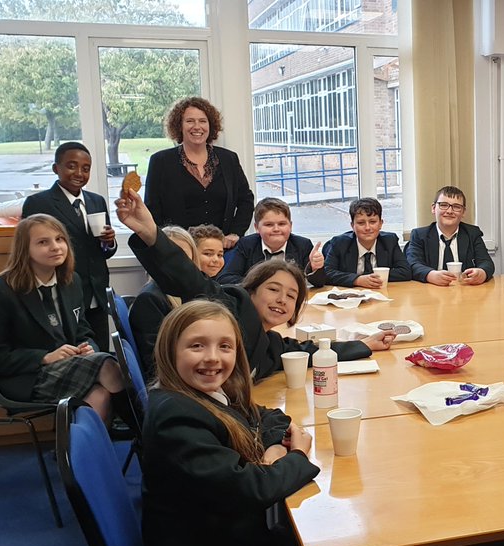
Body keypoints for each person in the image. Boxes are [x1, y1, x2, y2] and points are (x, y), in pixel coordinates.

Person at [115, 186, 393, 382]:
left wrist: (365, 344)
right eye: (273, 289)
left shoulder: (268, 342)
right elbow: (191, 280)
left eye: (292, 296)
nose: (282, 300)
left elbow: (302, 351)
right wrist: (150, 231)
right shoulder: (233, 306)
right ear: (250, 290)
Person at [141, 300, 318, 546]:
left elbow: (265, 415)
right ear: (170, 351)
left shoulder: (208, 393)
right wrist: (297, 454)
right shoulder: (176, 417)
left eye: (225, 346)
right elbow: (250, 489)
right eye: (197, 346)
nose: (213, 357)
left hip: (223, 539)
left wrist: (273, 447)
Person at [0, 215, 126, 422]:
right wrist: (44, 357)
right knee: (109, 366)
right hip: (29, 376)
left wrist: (87, 347)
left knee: (99, 395)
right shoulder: (0, 292)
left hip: (72, 365)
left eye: (60, 239)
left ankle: (75, 453)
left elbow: (83, 331)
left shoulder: (71, 281)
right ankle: (143, 433)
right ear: (24, 249)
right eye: (43, 242)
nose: (55, 247)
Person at [21, 141, 117, 352]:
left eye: (86, 168)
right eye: (71, 166)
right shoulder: (38, 203)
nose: (79, 173)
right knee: (70, 349)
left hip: (97, 291)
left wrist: (109, 242)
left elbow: (103, 252)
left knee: (98, 351)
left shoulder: (96, 201)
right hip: (63, 288)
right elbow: (31, 249)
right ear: (56, 168)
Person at [144, 96, 254, 245]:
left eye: (203, 121)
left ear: (211, 125)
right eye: (190, 121)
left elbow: (246, 200)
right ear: (179, 126)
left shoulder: (229, 159)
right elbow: (152, 210)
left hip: (222, 252)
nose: (197, 127)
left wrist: (236, 233)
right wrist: (169, 242)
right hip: (180, 252)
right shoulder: (160, 162)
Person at [130, 226, 200, 381]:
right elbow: (155, 361)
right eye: (169, 256)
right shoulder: (149, 300)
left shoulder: (193, 293)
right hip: (176, 383)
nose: (175, 263)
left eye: (182, 257)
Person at [218, 198, 325, 287]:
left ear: (291, 226)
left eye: (282, 224)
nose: (276, 229)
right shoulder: (246, 245)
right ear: (257, 228)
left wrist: (315, 268)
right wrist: (262, 284)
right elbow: (225, 278)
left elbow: (320, 283)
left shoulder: (302, 245)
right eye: (269, 225)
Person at [405, 186, 494, 286]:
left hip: (465, 291)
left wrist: (482, 273)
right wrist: (431, 275)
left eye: (456, 207)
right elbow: (412, 264)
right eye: (443, 205)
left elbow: (487, 263)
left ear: (463, 212)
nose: (449, 211)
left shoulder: (472, 233)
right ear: (434, 208)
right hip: (430, 291)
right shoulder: (419, 235)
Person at [322, 197, 411, 288]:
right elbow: (327, 273)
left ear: (380, 224)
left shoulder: (389, 241)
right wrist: (357, 280)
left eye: (372, 222)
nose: (367, 228)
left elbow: (405, 271)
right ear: (352, 225)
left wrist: (372, 277)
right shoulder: (340, 243)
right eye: (361, 223)